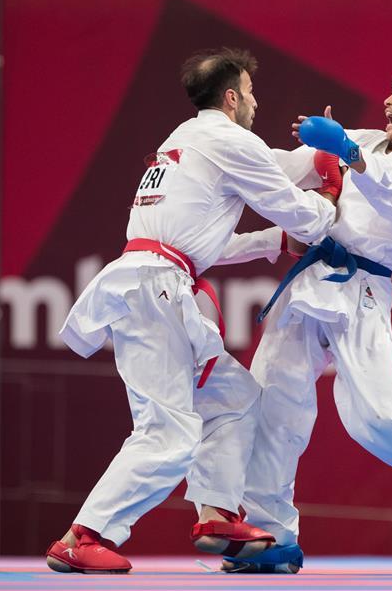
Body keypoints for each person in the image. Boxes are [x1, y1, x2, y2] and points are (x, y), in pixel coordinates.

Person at [189, 63, 392, 574]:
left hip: (363, 290)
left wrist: (348, 153)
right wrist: (218, 154)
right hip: (312, 280)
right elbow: (282, 169)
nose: (387, 100)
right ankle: (273, 537)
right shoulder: (367, 140)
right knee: (274, 404)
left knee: (376, 417)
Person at [44, 47, 337, 574]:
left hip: (155, 282)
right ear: (232, 97)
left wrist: (312, 168)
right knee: (168, 432)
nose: (256, 102)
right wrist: (329, 191)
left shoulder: (183, 141)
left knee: (235, 398)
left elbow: (216, 232)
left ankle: (217, 516)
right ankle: (82, 536)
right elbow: (303, 212)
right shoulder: (227, 141)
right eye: (250, 92)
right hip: (156, 291)